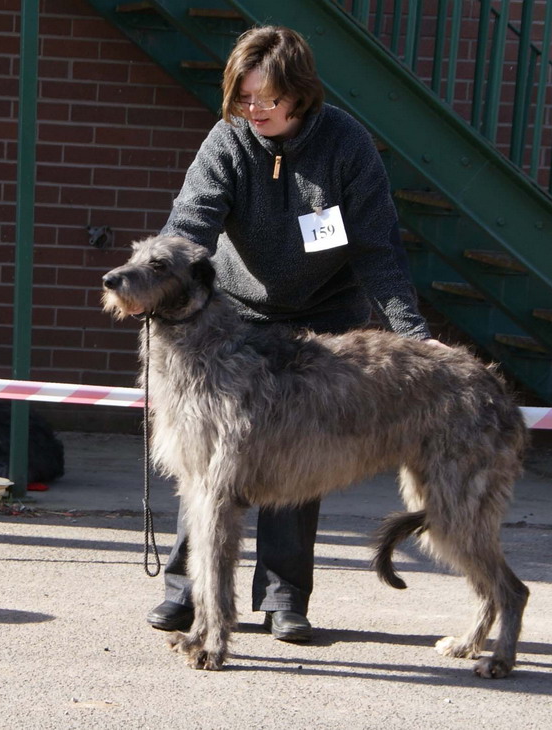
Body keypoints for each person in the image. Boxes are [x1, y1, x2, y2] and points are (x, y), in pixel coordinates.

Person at [147, 25, 438, 643]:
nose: (253, 111)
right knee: (208, 460)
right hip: (237, 320)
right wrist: (161, 275)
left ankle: (284, 600)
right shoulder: (227, 141)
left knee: (296, 461)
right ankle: (189, 591)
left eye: (266, 99)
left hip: (321, 323)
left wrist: (415, 336)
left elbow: (378, 252)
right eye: (243, 98)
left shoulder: (346, 146)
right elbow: (190, 222)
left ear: (300, 95)